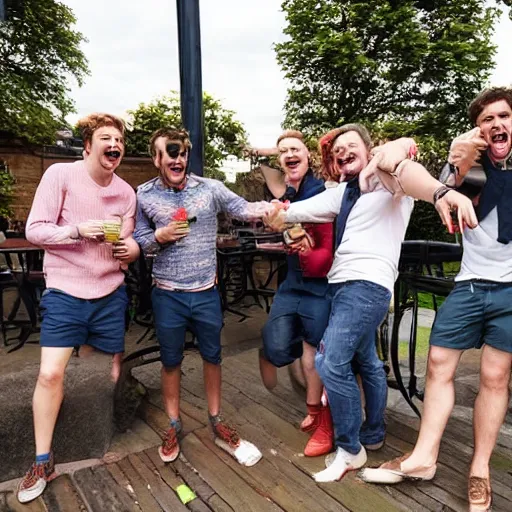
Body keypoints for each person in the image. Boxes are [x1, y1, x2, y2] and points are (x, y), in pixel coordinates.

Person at [263, 123, 477, 482]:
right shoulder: (345, 193)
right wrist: (273, 213)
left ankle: (350, 449)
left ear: (369, 150)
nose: (343, 153)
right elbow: (297, 212)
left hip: (367, 286)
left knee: (330, 362)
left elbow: (408, 163)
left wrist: (436, 187)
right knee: (368, 362)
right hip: (344, 286)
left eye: (352, 146)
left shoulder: (390, 179)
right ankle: (374, 434)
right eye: (337, 151)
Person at [359, 87, 512, 512]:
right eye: (487, 120)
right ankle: (424, 458)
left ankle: (479, 469)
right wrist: (455, 159)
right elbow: (416, 177)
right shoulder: (465, 167)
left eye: (504, 116)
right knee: (439, 363)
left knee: (495, 377)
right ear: (478, 130)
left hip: (511, 291)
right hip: (469, 283)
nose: (497, 125)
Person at [17, 113, 140, 503]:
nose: (114, 144)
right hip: (66, 291)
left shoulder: (126, 193)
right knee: (51, 374)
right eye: (106, 137)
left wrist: (131, 249)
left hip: (109, 294)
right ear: (88, 146)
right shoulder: (60, 175)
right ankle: (41, 460)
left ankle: (92, 441)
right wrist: (75, 231)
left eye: (118, 139)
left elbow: (129, 241)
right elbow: (34, 230)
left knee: (99, 373)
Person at [134, 127, 273, 467]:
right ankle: (172, 423)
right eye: (171, 152)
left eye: (182, 153)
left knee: (213, 356)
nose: (178, 159)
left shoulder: (209, 188)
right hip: (167, 294)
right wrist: (160, 236)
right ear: (156, 158)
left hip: (206, 292)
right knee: (171, 361)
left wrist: (270, 208)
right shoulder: (143, 195)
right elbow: (138, 240)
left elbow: (242, 207)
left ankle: (215, 419)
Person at [249, 130, 335, 457]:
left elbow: (325, 240)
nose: (288, 154)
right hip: (291, 282)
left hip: (318, 283)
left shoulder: (319, 191)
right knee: (277, 343)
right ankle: (315, 401)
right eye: (283, 151)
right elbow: (288, 231)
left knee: (314, 354)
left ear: (308, 156)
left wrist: (307, 243)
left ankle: (316, 411)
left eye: (295, 149)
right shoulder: (288, 192)